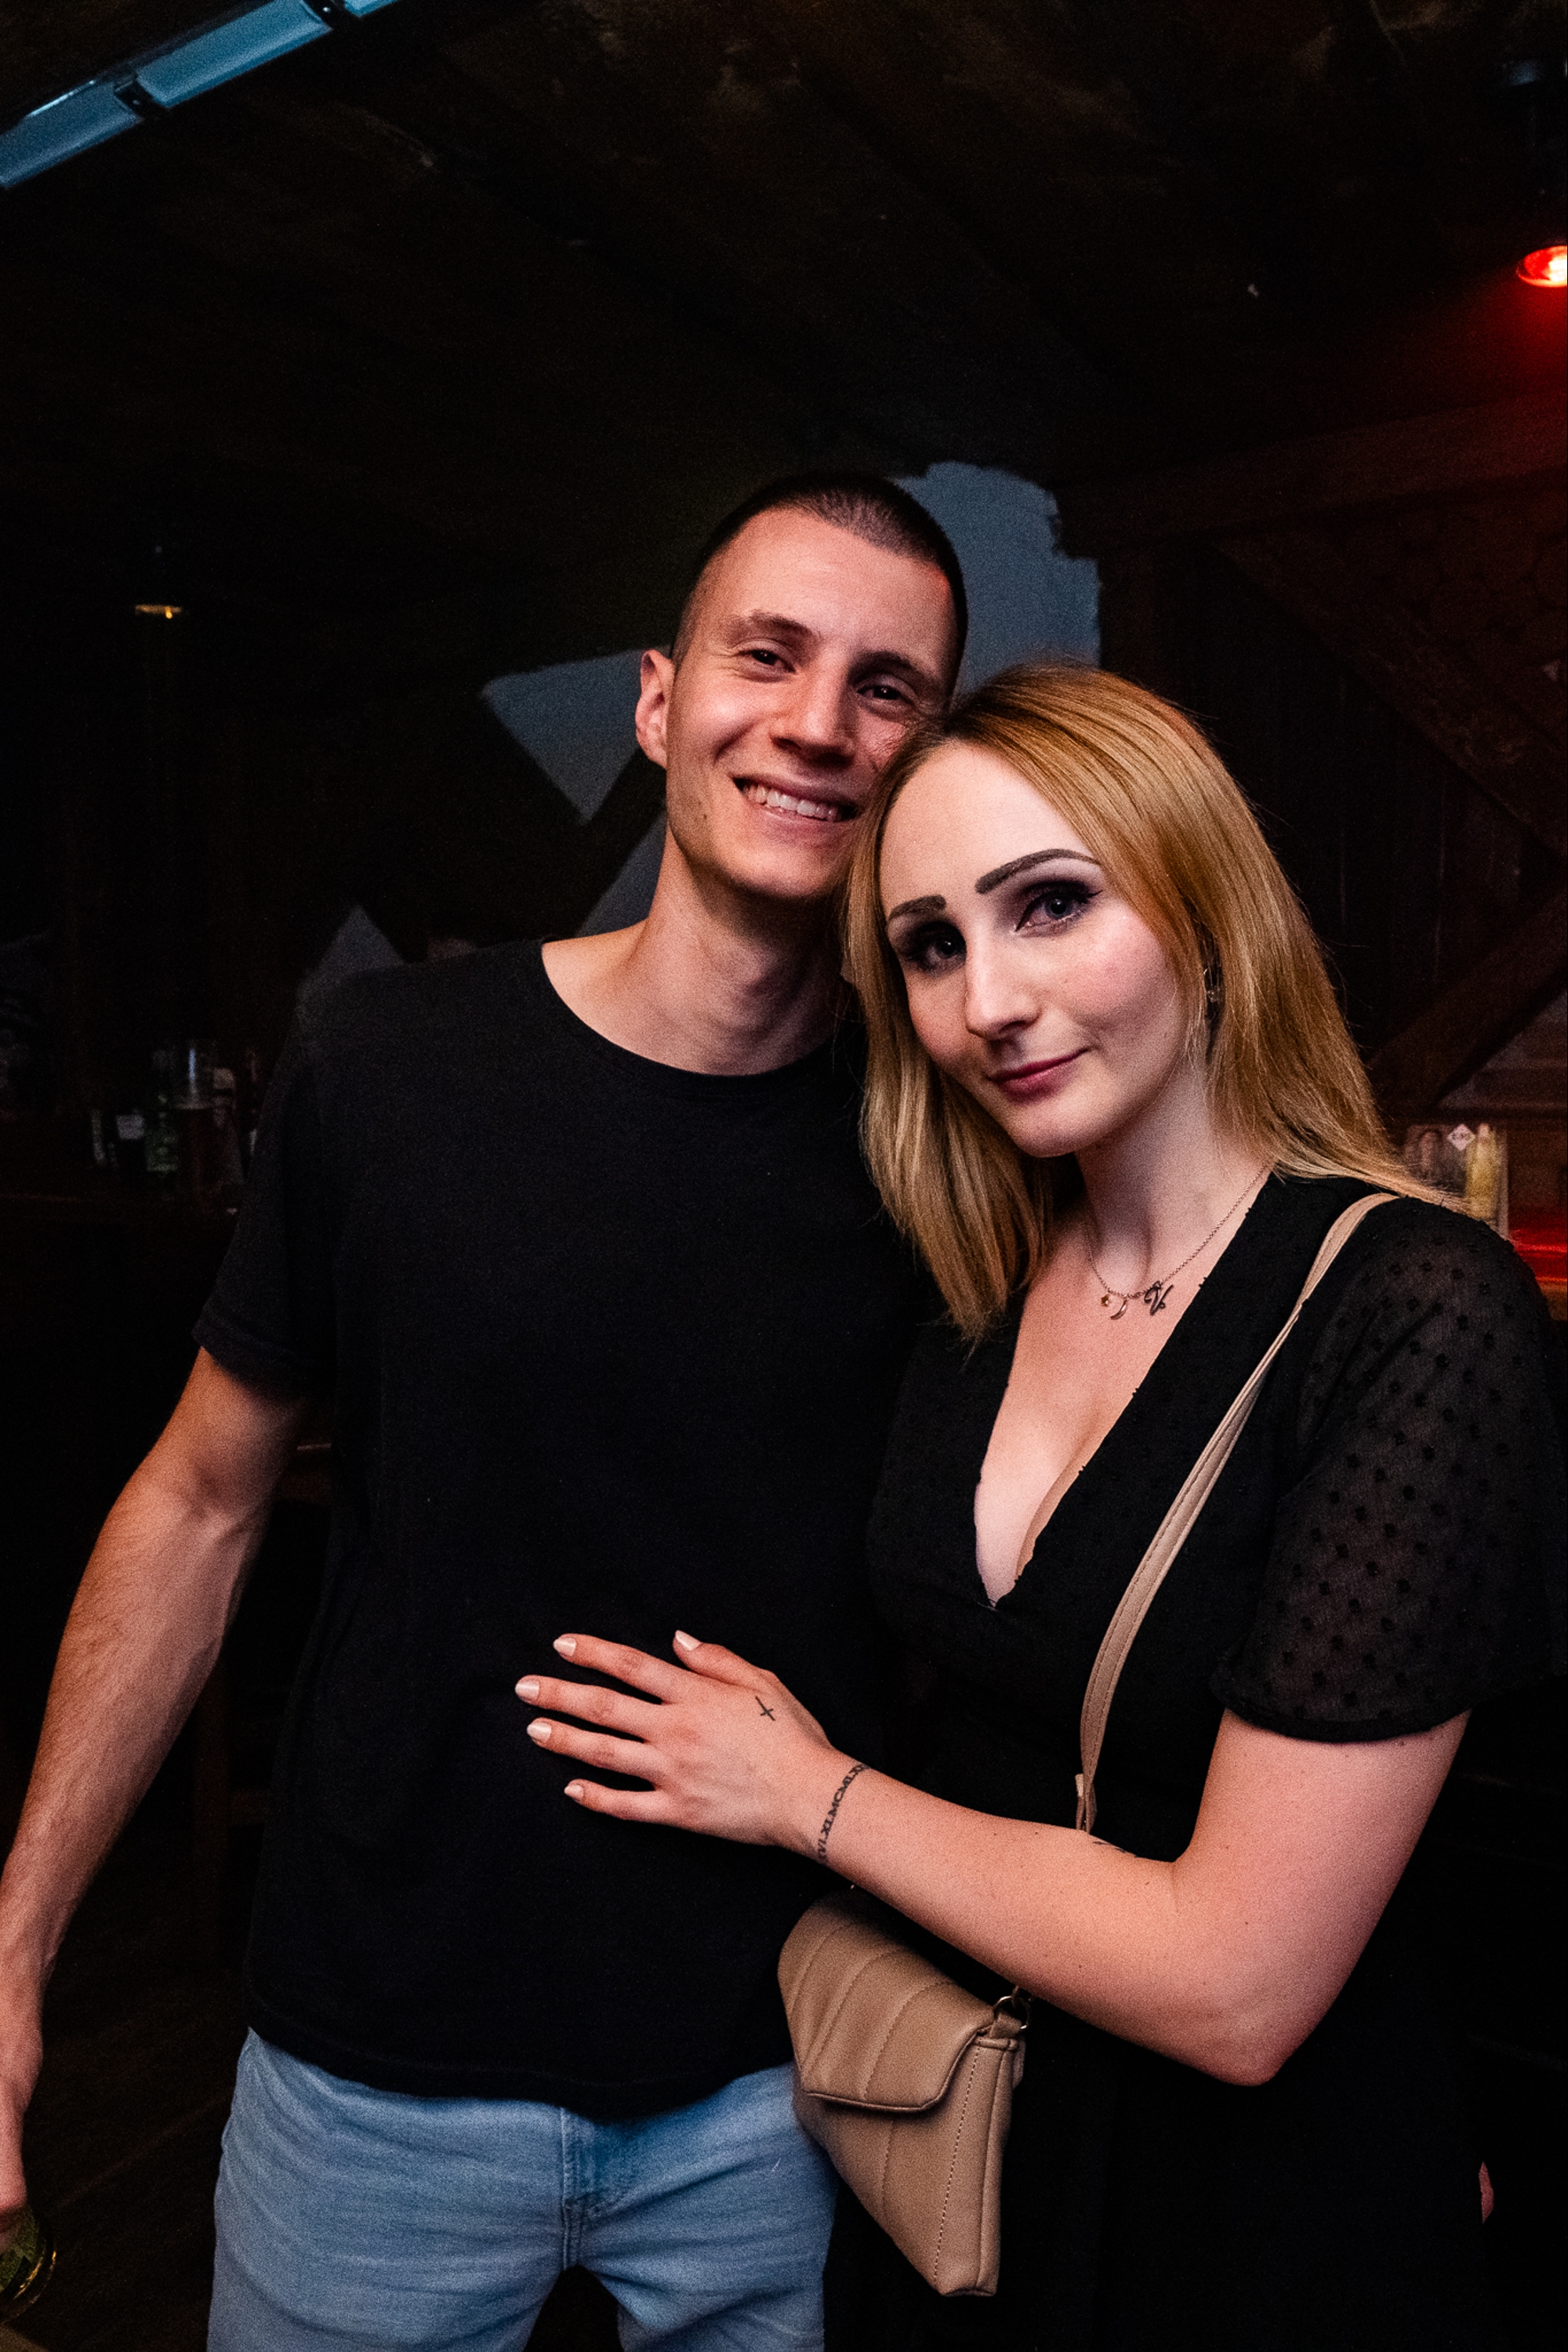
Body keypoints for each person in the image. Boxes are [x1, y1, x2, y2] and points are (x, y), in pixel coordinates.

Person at [0, 474, 968, 2352]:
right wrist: (15, 1947)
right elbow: (198, 1502)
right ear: (661, 701)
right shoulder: (391, 1067)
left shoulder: (945, 1141)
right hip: (380, 2075)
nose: (818, 723)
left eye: (886, 688)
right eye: (766, 656)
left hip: (787, 2079)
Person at [515, 665, 1566, 2351]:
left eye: (1051, 905)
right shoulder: (976, 1284)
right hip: (953, 2143)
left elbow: (1239, 1986)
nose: (988, 1000)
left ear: (1204, 909)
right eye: (931, 946)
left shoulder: (1411, 1309)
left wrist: (801, 1794)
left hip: (1248, 2206)